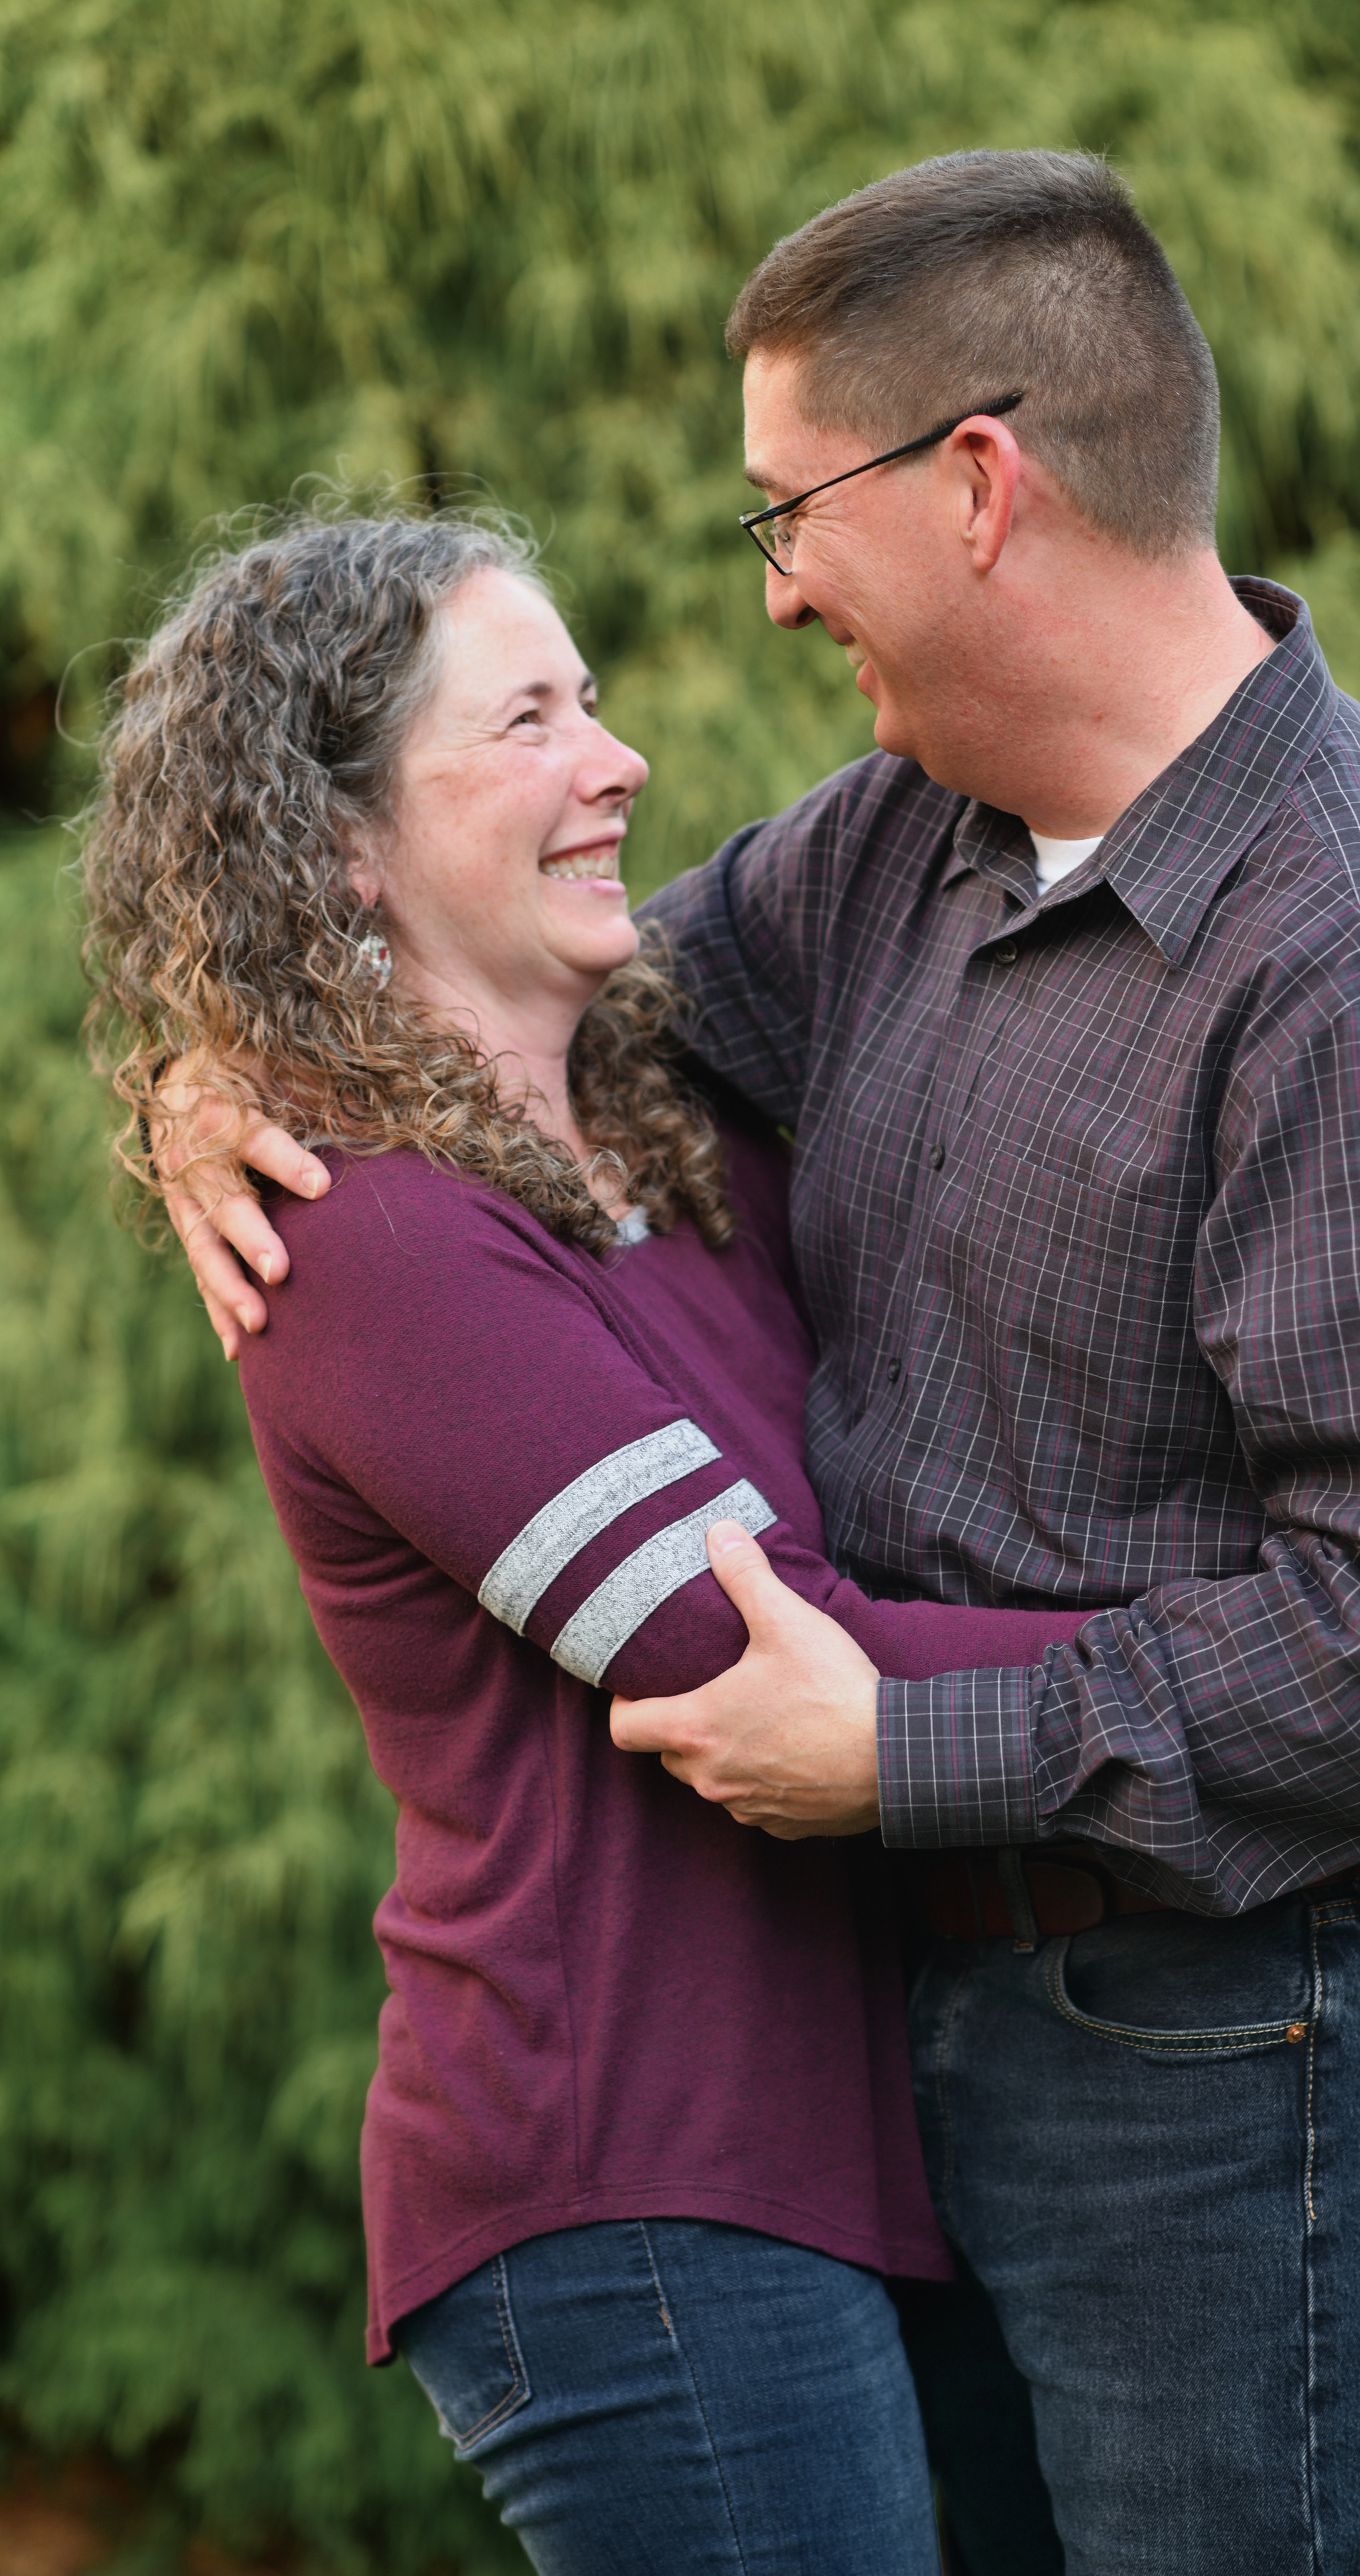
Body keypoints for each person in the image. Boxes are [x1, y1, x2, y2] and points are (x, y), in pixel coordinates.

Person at [157, 154, 1360, 2576]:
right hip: (967, 2040)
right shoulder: (911, 852)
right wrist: (221, 1072)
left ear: (975, 485)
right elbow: (498, 1017)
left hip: (1265, 2038)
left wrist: (912, 1745)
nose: (774, 582)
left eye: (789, 508)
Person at [82, 509, 1102, 2576]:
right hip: (622, 2184)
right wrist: (1260, 1677)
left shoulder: (676, 1141)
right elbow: (759, 1657)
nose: (618, 759)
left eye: (597, 702)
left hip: (842, 2149)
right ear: (343, 849)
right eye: (530, 719)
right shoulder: (366, 1237)